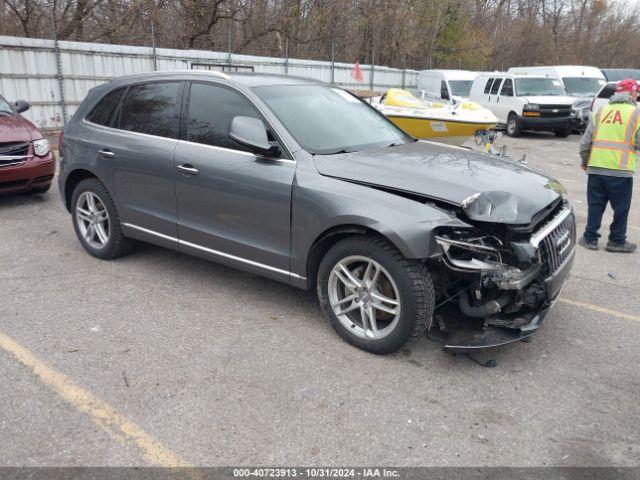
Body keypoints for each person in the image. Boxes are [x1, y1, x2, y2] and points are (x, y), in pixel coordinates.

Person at [578, 78, 638, 253]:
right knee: (621, 208)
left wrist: (585, 162)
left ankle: (589, 238)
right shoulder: (636, 114)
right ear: (631, 93)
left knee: (595, 205)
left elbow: (585, 143)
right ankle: (616, 241)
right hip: (621, 170)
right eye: (636, 92)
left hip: (596, 168)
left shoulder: (600, 111)